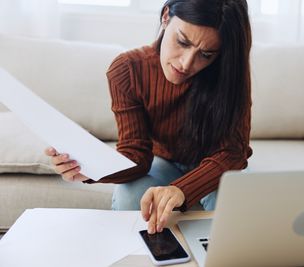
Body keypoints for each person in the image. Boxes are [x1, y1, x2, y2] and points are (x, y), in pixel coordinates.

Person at [45, 0, 252, 234]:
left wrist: (181, 190)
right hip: (162, 161)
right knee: (129, 196)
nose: (186, 64)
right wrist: (92, 169)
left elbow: (233, 153)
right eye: (182, 42)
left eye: (205, 55)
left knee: (232, 208)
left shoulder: (229, 72)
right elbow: (136, 155)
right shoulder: (127, 70)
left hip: (216, 162)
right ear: (165, 16)